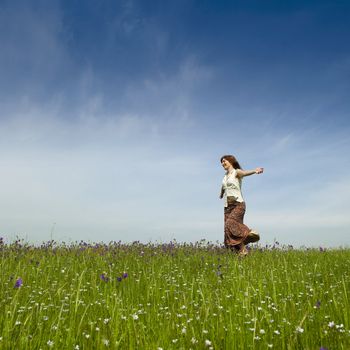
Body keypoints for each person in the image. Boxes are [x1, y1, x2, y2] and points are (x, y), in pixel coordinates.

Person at [219, 155, 264, 256]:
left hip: (238, 204)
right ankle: (242, 251)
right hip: (227, 207)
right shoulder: (225, 177)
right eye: (221, 162)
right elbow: (224, 187)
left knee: (230, 223)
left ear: (230, 161)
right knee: (228, 231)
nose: (222, 163)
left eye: (224, 161)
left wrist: (255, 171)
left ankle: (250, 233)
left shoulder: (236, 172)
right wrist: (221, 194)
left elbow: (244, 173)